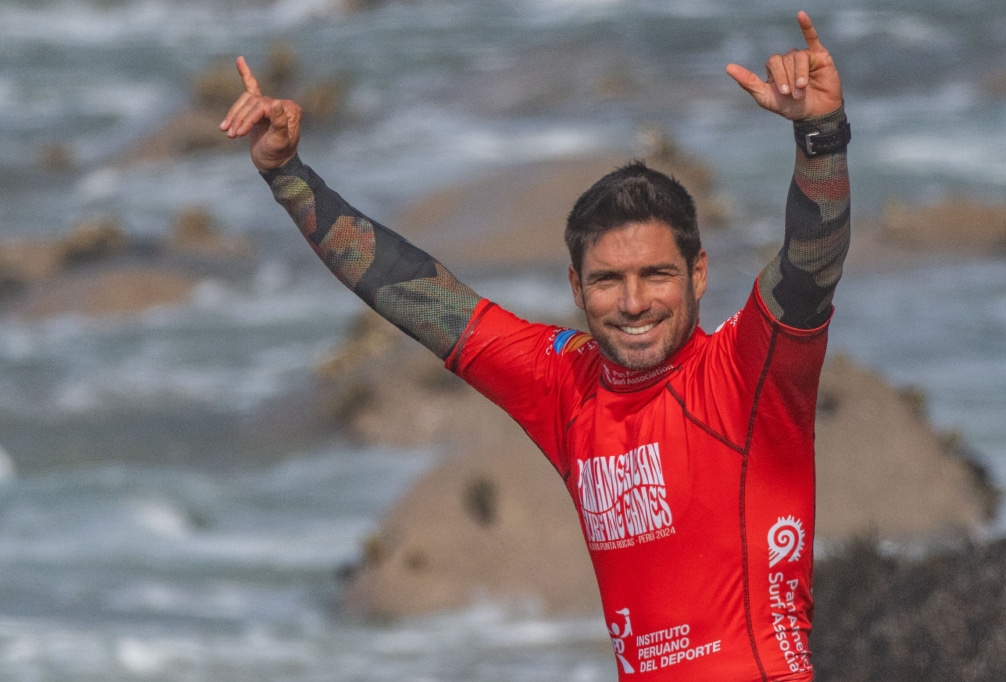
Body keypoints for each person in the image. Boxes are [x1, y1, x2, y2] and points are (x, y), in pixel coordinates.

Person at [221, 9, 849, 681]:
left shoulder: (746, 374)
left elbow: (809, 269)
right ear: (577, 287)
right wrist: (287, 174)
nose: (633, 303)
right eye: (608, 280)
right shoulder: (565, 385)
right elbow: (414, 293)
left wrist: (819, 136)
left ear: (697, 274)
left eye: (656, 275)